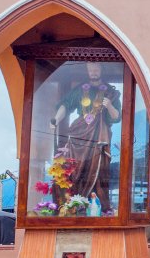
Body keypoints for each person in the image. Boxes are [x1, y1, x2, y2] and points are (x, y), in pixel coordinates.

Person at [49, 62, 122, 214]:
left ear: (102, 69)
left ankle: (99, 207)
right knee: (76, 170)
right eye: (90, 70)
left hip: (100, 135)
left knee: (100, 169)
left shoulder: (110, 92)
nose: (93, 73)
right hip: (79, 135)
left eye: (96, 69)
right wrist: (56, 119)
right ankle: (75, 206)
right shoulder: (80, 89)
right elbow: (65, 104)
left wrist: (108, 105)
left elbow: (116, 117)